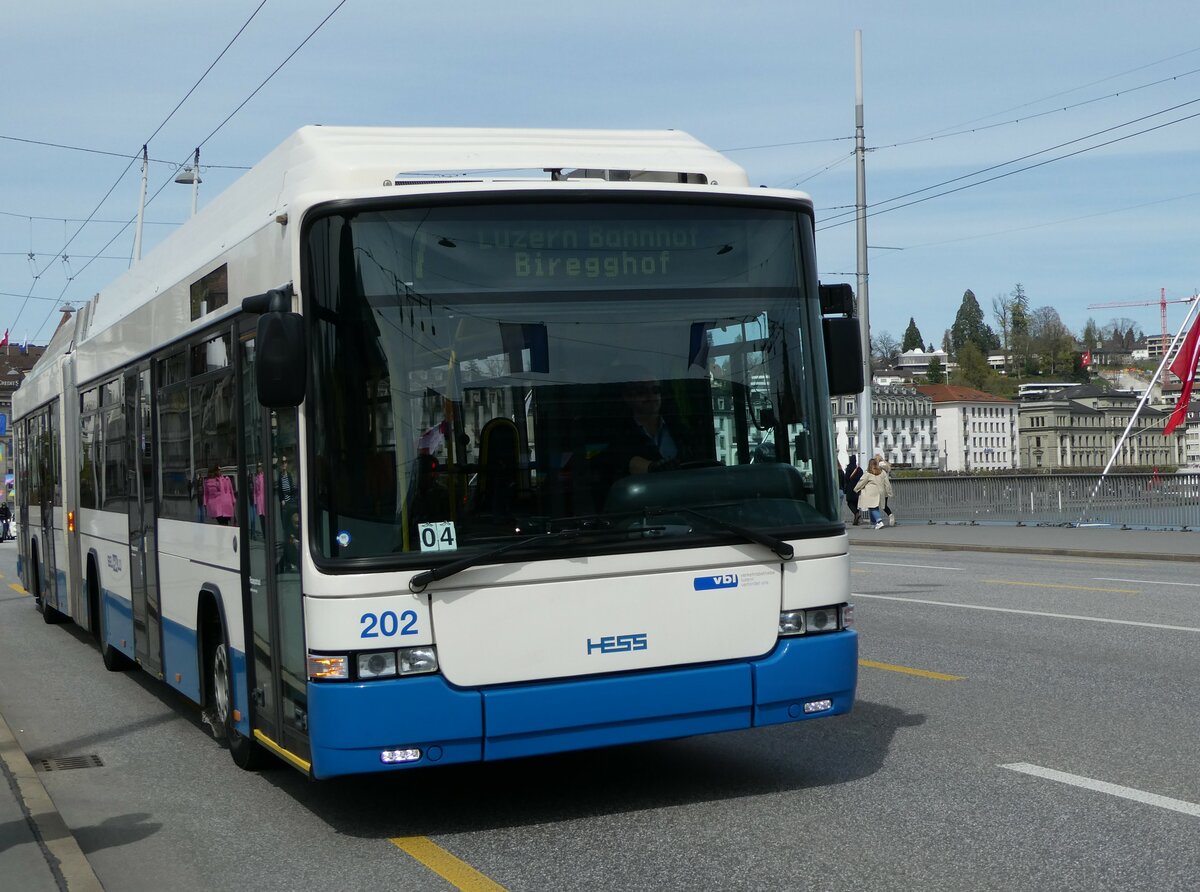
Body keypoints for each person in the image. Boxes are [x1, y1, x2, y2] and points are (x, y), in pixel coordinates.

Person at [614, 377, 694, 474]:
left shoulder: (679, 430)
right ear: (627, 397)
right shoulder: (619, 435)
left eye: (656, 390)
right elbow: (620, 462)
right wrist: (651, 467)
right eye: (642, 391)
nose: (651, 396)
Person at [853, 457, 888, 529]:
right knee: (874, 506)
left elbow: (861, 482)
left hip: (870, 493)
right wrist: (888, 492)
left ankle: (879, 521)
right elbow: (886, 483)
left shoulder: (868, 473)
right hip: (879, 492)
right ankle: (873, 522)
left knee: (872, 507)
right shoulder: (882, 473)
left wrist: (856, 489)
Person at [875, 453, 897, 526]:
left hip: (879, 489)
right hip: (885, 490)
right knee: (884, 505)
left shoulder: (880, 468)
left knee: (876, 505)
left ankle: (877, 520)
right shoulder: (885, 467)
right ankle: (890, 516)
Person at [843, 455, 863, 525]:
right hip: (858, 488)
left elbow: (846, 478)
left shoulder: (848, 468)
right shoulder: (859, 469)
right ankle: (856, 518)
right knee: (856, 503)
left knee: (849, 502)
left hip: (850, 488)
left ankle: (856, 513)